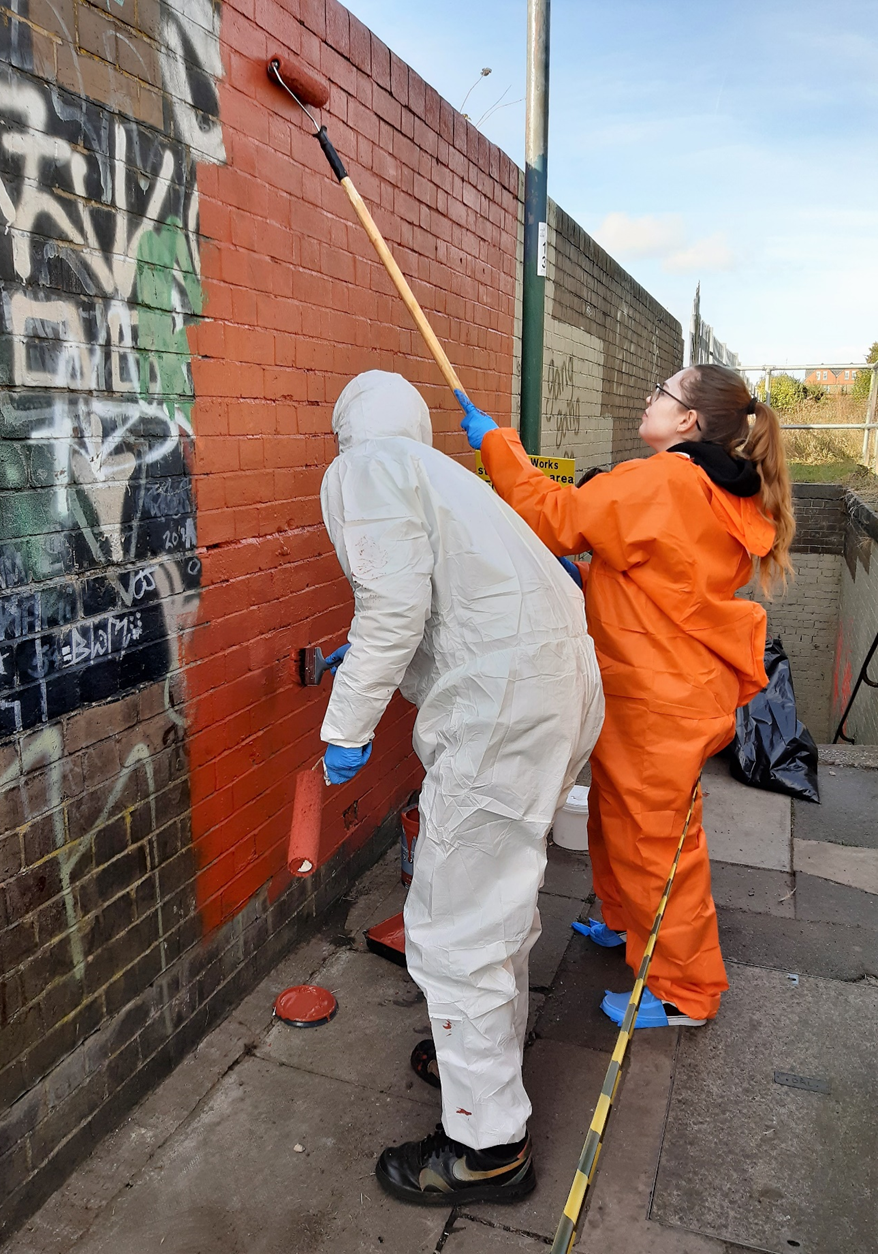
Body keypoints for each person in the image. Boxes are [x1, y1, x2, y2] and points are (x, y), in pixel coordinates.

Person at [319, 370, 604, 1205]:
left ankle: (487, 1148)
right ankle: (478, 1066)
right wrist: (377, 657)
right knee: (495, 902)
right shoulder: (443, 476)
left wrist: (346, 725)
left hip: (502, 710)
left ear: (347, 428)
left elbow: (393, 606)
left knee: (454, 928)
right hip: (559, 693)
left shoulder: (367, 467)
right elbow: (456, 597)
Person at [457, 364, 794, 1028]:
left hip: (653, 696)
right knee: (619, 818)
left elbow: (555, 516)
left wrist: (497, 445)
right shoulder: (705, 486)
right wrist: (592, 575)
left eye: (662, 392)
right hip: (657, 685)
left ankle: (684, 992)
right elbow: (652, 572)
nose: (648, 398)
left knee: (656, 844)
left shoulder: (665, 480)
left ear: (689, 419)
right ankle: (624, 921)